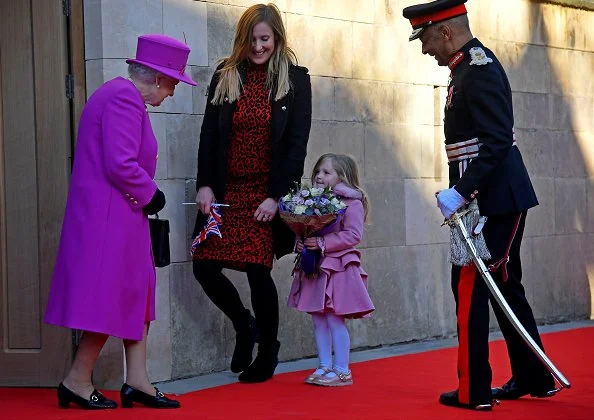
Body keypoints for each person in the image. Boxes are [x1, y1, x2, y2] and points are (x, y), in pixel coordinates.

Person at [402, 0, 560, 411]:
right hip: (489, 199)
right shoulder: (466, 69)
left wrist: (461, 192)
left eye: (427, 38)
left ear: (447, 31)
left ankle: (473, 391)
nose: (425, 48)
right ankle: (534, 376)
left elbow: (494, 144)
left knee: (469, 287)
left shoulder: (479, 69)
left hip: (491, 201)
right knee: (505, 287)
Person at [44, 34, 197, 410]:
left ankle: (138, 381)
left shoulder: (121, 97)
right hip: (109, 218)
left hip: (120, 217)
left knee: (135, 295)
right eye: (175, 83)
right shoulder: (123, 99)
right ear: (159, 78)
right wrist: (153, 194)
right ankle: (77, 380)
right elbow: (121, 163)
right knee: (110, 298)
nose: (174, 92)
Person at [192, 3, 312, 383]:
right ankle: (245, 326)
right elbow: (209, 135)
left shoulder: (295, 80)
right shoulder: (226, 76)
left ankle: (269, 348)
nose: (258, 47)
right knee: (204, 265)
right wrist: (205, 184)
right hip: (227, 191)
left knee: (258, 271)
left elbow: (296, 146)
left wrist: (276, 197)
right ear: (241, 40)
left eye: (265, 39)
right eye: (252, 40)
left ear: (277, 39)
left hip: (264, 194)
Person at [287, 153, 375, 387]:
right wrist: (301, 240)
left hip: (337, 267)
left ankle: (342, 370)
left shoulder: (351, 202)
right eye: (318, 171)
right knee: (317, 318)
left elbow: (353, 235)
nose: (319, 176)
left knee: (335, 319)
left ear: (342, 177)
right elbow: (306, 228)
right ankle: (324, 365)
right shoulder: (309, 201)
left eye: (327, 172)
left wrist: (324, 244)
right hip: (315, 266)